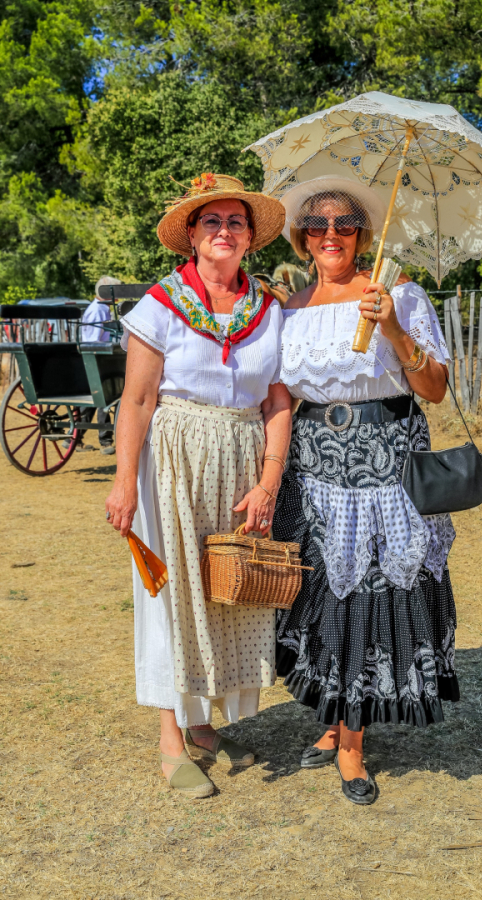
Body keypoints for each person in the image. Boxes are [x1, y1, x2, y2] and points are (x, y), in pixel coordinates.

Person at [273, 176, 458, 805]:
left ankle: (352, 746)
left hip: (384, 467)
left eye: (345, 224)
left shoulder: (398, 296)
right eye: (318, 225)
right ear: (302, 238)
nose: (331, 235)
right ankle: (334, 719)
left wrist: (393, 333)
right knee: (323, 598)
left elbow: (433, 389)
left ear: (362, 234)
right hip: (313, 468)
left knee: (369, 599)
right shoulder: (288, 310)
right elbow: (278, 397)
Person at [105, 173, 291, 799]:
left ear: (250, 238)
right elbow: (135, 401)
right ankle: (169, 737)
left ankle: (205, 724)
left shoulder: (268, 309)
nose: (224, 231)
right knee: (172, 590)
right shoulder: (161, 305)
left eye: (235, 222)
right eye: (211, 221)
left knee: (226, 591)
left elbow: (277, 400)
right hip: (175, 456)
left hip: (241, 458)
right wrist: (124, 483)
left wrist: (269, 480)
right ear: (191, 234)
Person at [75, 276, 122, 454]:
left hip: (95, 355)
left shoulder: (98, 308)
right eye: (115, 292)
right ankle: (105, 441)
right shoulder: (99, 310)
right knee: (107, 397)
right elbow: (94, 339)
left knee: (93, 400)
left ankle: (76, 437)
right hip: (98, 356)